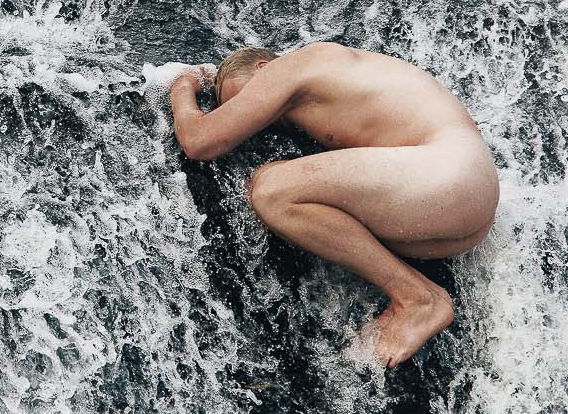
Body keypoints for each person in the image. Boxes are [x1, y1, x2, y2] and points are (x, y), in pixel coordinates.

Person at [168, 42, 499, 366]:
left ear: (262, 67)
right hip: (464, 207)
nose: (246, 117)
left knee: (271, 190)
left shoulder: (293, 65)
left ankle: (417, 299)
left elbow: (199, 141)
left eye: (242, 101)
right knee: (326, 218)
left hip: (447, 172)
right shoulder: (340, 79)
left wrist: (182, 83)